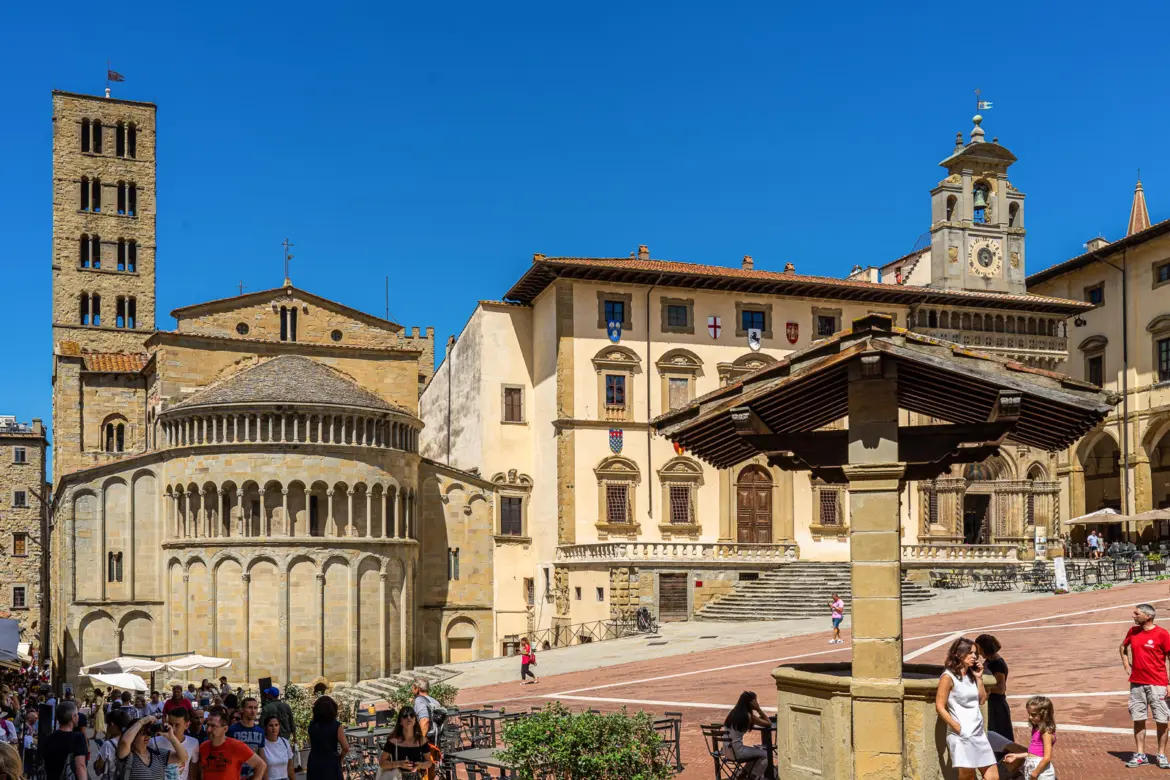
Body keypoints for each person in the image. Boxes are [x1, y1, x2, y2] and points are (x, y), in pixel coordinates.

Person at [935, 637, 999, 780]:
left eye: (975, 653)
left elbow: (982, 700)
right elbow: (939, 706)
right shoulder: (948, 677)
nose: (975, 656)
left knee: (993, 777)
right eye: (970, 653)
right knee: (968, 777)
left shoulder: (971, 675)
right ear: (958, 654)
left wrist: (979, 678)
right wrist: (957, 727)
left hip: (978, 733)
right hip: (962, 735)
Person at [1120, 602, 1170, 768]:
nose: (1133, 616)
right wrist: (1126, 664)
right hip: (1136, 684)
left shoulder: (1162, 634)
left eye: (1136, 613)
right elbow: (1122, 647)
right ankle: (1140, 754)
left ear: (1148, 616)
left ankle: (1161, 755)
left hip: (1158, 683)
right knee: (1138, 718)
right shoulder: (1133, 631)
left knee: (1162, 720)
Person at [199, 709, 266, 780]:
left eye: (213, 726)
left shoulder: (236, 746)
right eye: (207, 725)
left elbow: (261, 765)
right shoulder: (203, 747)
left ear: (225, 729)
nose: (208, 729)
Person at [117, 714, 189, 780]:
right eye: (143, 733)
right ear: (134, 736)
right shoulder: (128, 755)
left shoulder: (158, 754)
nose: (147, 736)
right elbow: (125, 742)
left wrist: (171, 737)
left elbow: (183, 757)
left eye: (148, 732)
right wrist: (142, 721)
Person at [1005, 696, 1057, 780]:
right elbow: (1034, 753)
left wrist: (1034, 773)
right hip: (1033, 767)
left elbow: (1047, 757)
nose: (1030, 717)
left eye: (1033, 715)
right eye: (1029, 714)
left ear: (1044, 714)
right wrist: (1017, 756)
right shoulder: (1036, 729)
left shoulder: (1046, 733)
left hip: (1041, 771)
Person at [721, 691, 770, 779]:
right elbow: (768, 723)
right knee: (765, 754)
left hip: (726, 751)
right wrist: (758, 709)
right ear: (751, 703)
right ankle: (752, 777)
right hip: (737, 752)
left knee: (755, 752)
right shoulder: (748, 716)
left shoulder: (733, 713)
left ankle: (743, 775)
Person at [975, 634, 1013, 743]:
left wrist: (984, 689)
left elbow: (1001, 688)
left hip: (997, 707)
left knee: (1000, 739)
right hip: (992, 705)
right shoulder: (989, 661)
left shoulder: (997, 664)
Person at [378, 707, 433, 780]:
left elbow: (429, 762)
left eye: (412, 715)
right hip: (397, 777)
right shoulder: (393, 741)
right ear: (400, 721)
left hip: (415, 777)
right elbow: (382, 763)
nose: (409, 717)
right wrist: (399, 764)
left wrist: (420, 765)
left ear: (415, 720)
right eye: (405, 716)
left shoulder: (421, 740)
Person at [42, 700, 88, 780]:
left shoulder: (49, 738)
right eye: (77, 714)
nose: (78, 717)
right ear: (73, 717)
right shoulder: (78, 737)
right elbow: (80, 766)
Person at [151, 707, 201, 780]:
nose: (173, 729)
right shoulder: (154, 742)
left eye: (177, 725)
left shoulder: (193, 742)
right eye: (170, 724)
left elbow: (193, 769)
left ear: (187, 725)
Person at [305, 695, 347, 780]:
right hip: (331, 761)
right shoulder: (336, 726)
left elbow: (311, 742)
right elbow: (346, 747)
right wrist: (340, 758)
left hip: (315, 761)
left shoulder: (312, 725)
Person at [227, 698, 264, 778]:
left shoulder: (260, 732)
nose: (253, 711)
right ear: (242, 709)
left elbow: (262, 756)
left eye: (255, 708)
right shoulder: (232, 730)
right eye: (250, 707)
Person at [95, 711, 130, 780]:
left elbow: (98, 770)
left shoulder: (108, 744)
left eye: (107, 725)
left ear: (112, 724)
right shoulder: (131, 741)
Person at [258, 716, 294, 780]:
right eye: (271, 725)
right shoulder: (262, 744)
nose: (274, 728)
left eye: (276, 725)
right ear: (266, 728)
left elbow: (290, 766)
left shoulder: (285, 742)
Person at [411, 679, 442, 745]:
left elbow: (424, 720)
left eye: (413, 688)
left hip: (426, 741)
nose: (412, 690)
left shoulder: (419, 700)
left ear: (417, 689)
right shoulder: (435, 701)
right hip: (435, 740)